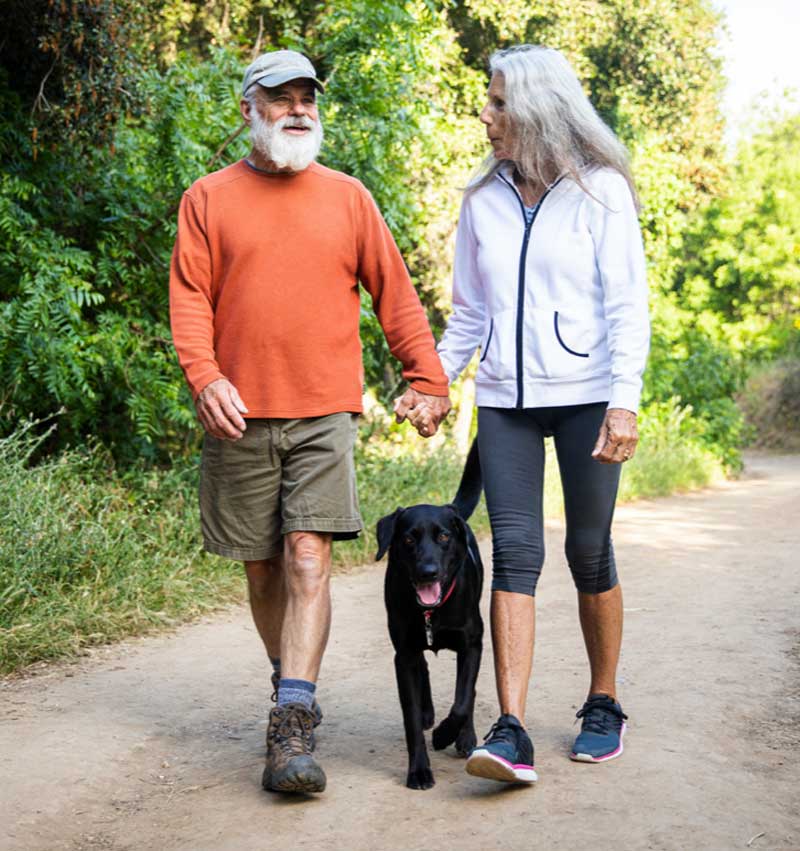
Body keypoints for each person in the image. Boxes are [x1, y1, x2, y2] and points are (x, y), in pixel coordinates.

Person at [169, 49, 451, 795]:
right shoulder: (207, 198)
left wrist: (428, 377)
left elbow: (395, 296)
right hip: (239, 412)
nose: (299, 108)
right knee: (261, 564)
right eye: (281, 96)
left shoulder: (348, 197)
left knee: (305, 556)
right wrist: (205, 377)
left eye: (307, 97)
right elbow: (191, 299)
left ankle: (291, 718)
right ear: (248, 109)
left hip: (326, 409)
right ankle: (288, 675)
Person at [434, 45, 650, 783]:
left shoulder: (601, 191)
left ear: (535, 109)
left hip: (589, 394)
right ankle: (512, 726)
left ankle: (603, 700)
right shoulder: (482, 198)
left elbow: (627, 307)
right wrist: (432, 382)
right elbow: (467, 315)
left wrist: (625, 400)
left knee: (588, 552)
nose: (486, 115)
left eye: (497, 102)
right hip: (504, 400)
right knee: (515, 552)